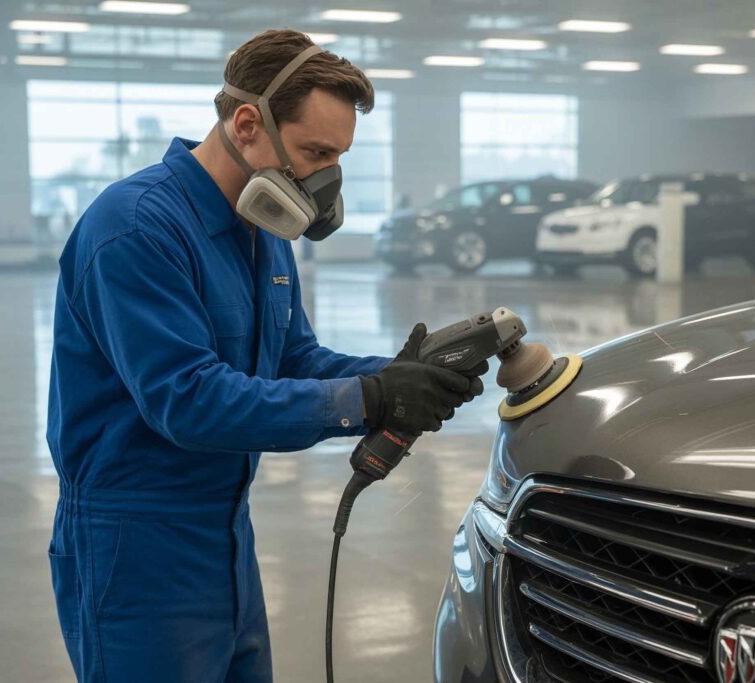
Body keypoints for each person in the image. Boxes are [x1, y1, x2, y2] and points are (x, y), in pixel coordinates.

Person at [46, 29, 486, 683]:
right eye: (314, 152)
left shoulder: (264, 233)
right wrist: (369, 399)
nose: (325, 179)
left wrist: (391, 374)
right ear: (248, 123)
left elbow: (291, 357)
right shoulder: (135, 227)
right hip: (136, 548)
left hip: (227, 536)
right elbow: (187, 399)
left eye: (336, 157)